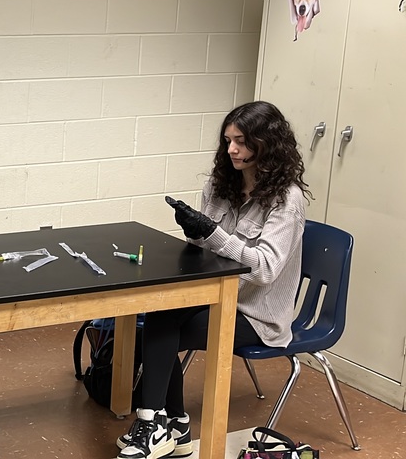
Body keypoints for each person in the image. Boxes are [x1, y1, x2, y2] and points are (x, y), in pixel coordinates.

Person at [115, 100, 309, 459]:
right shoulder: (221, 185)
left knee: (161, 331)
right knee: (159, 315)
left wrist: (214, 235)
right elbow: (207, 254)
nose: (232, 150)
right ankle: (167, 424)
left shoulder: (286, 200)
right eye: (228, 141)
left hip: (256, 314)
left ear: (267, 143)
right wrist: (194, 232)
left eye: (241, 141)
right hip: (216, 294)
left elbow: (265, 269)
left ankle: (163, 425)